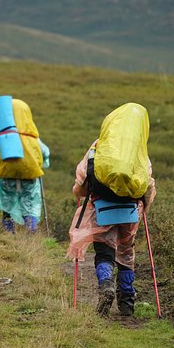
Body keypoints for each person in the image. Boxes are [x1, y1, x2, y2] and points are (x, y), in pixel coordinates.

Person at [66, 104, 156, 316]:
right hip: (130, 212)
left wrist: (78, 192)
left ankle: (106, 284)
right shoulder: (139, 153)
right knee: (126, 253)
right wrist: (145, 208)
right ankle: (127, 302)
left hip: (101, 209)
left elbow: (81, 180)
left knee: (104, 253)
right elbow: (148, 185)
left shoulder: (98, 148)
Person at [0, 98, 50, 234]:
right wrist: (42, 161)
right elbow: (45, 152)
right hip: (29, 175)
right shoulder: (31, 136)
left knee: (7, 204)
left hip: (6, 176)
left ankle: (9, 232)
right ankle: (31, 229)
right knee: (30, 202)